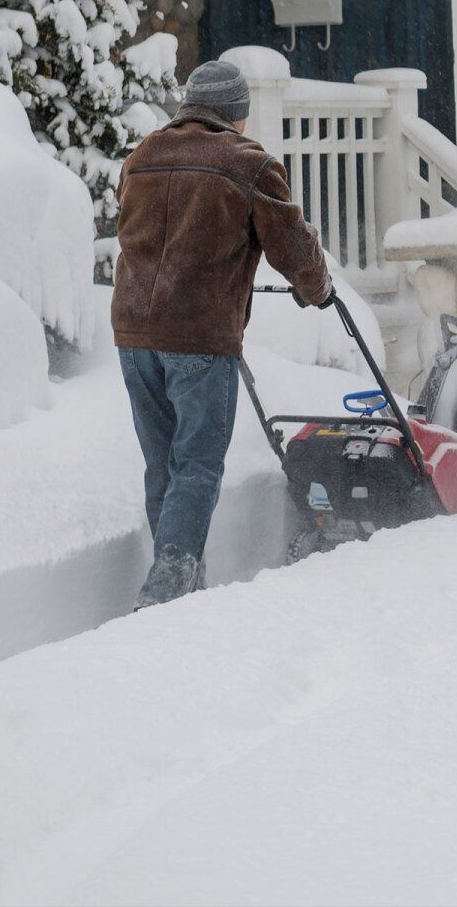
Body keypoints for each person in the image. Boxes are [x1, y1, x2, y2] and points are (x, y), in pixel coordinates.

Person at [111, 60, 333, 608]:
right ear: (237, 113)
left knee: (164, 463)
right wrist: (318, 288)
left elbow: (132, 230)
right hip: (199, 336)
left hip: (134, 333)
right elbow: (292, 244)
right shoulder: (247, 163)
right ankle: (167, 586)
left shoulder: (142, 157)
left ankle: (183, 585)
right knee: (198, 465)